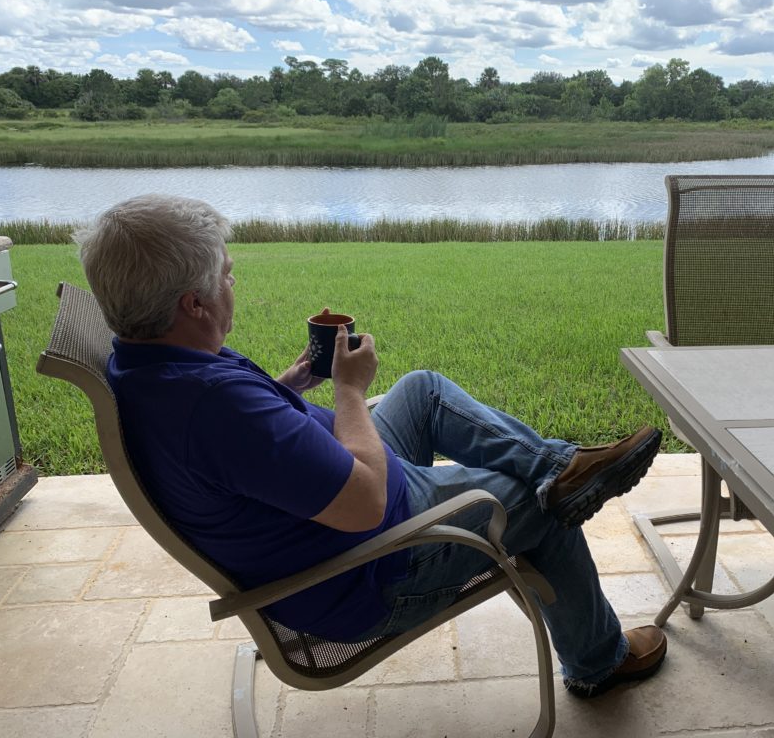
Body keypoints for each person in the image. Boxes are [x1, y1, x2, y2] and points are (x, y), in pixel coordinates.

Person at [78, 194, 668, 698]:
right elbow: (362, 501)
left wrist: (288, 389)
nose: (234, 284)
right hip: (368, 569)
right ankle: (598, 661)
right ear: (194, 303)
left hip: (333, 510)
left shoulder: (151, 364)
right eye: (227, 275)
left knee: (424, 392)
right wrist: (349, 392)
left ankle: (559, 466)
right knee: (539, 503)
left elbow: (237, 449)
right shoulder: (211, 407)